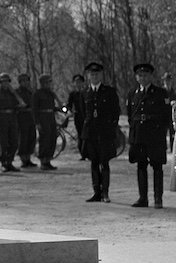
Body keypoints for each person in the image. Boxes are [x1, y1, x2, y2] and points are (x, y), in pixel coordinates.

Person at [126, 63, 171, 209]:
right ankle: (143, 198)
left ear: (150, 76)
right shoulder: (133, 94)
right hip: (139, 135)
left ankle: (158, 199)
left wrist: (164, 133)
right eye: (140, 75)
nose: (143, 78)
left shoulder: (160, 93)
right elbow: (130, 116)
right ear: (136, 77)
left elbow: (166, 116)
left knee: (157, 166)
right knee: (141, 166)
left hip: (154, 135)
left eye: (145, 75)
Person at [82, 61, 121, 203]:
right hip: (90, 133)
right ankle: (96, 192)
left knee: (104, 162)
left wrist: (111, 128)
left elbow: (116, 112)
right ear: (88, 76)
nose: (94, 76)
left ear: (101, 75)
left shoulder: (109, 91)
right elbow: (82, 113)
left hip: (105, 133)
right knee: (93, 162)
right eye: (92, 74)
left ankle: (105, 192)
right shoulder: (85, 93)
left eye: (97, 74)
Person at [0, 73, 22, 173]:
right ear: (0, 83)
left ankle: (10, 162)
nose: (5, 83)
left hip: (12, 118)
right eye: (3, 82)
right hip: (2, 118)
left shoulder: (12, 93)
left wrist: (14, 93)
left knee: (14, 142)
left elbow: (21, 104)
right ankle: (4, 163)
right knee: (3, 143)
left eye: (7, 81)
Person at [31, 74, 63, 170]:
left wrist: (59, 109)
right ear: (43, 83)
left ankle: (48, 160)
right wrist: (37, 123)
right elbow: (34, 110)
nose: (50, 84)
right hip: (42, 119)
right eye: (48, 82)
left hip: (51, 118)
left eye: (50, 82)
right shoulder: (37, 94)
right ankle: (42, 161)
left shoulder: (51, 94)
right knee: (44, 140)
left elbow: (52, 107)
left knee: (52, 138)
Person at [15, 73, 37, 168]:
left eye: (27, 80)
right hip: (21, 116)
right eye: (23, 80)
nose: (25, 82)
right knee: (23, 138)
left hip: (31, 116)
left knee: (31, 137)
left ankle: (28, 158)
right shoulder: (16, 92)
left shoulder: (31, 92)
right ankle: (23, 159)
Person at [66, 74, 87, 160]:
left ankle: (89, 153)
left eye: (79, 82)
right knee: (80, 135)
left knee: (88, 135)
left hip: (87, 116)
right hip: (78, 116)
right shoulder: (73, 94)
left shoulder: (87, 92)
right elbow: (69, 105)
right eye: (76, 82)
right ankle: (82, 154)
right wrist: (68, 110)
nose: (78, 84)